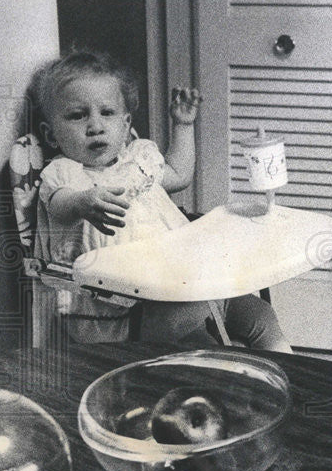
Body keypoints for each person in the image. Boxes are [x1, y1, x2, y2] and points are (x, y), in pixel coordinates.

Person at [32, 49, 287, 350]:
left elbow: (179, 174)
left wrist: (183, 126)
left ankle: (286, 378)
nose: (95, 126)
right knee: (204, 344)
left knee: (261, 315)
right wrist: (83, 202)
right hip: (132, 306)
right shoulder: (64, 173)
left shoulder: (139, 159)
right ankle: (231, 385)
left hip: (189, 274)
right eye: (78, 115)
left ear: (126, 125)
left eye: (107, 113)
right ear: (51, 136)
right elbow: (60, 205)